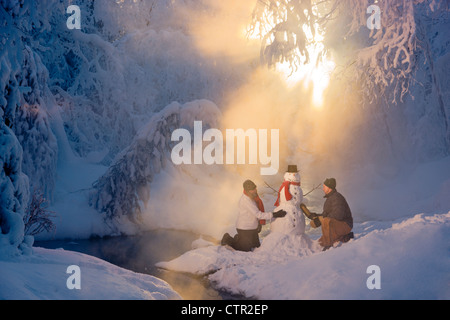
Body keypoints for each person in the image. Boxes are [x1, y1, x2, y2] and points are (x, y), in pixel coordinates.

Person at [221, 179, 287, 252]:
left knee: (256, 246)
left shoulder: (253, 197)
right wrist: (274, 214)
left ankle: (239, 238)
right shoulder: (246, 200)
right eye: (252, 189)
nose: (255, 190)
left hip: (252, 228)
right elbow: (258, 214)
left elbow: (256, 213)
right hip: (244, 228)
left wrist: (258, 224)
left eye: (255, 188)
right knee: (244, 250)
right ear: (247, 191)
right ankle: (227, 238)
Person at [301, 178, 353, 250]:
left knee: (326, 221)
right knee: (320, 242)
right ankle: (344, 237)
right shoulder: (330, 198)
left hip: (345, 224)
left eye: (324, 187)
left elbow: (338, 215)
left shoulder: (337, 197)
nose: (323, 189)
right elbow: (325, 214)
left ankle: (328, 246)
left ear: (329, 188)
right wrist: (315, 216)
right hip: (338, 224)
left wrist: (321, 219)